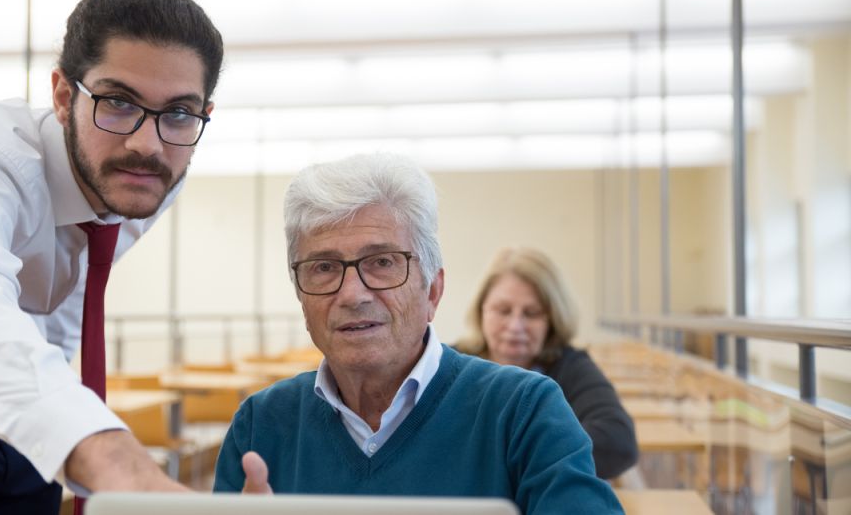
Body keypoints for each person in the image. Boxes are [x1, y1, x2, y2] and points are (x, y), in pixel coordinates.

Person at [0, 0, 223, 513]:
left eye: (179, 113)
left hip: (11, 419)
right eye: (117, 102)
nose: (146, 144)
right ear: (65, 97)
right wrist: (114, 459)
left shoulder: (154, 174)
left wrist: (61, 415)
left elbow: (69, 301)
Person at [213, 154, 624, 514]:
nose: (353, 293)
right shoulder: (260, 426)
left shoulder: (524, 411)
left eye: (383, 262)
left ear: (432, 290)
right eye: (323, 267)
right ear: (302, 297)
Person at [456, 247, 639, 479]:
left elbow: (617, 440)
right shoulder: (450, 364)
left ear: (552, 320)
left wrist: (507, 464)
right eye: (503, 311)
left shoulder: (571, 366)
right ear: (481, 311)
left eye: (531, 314)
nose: (515, 327)